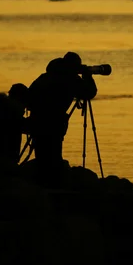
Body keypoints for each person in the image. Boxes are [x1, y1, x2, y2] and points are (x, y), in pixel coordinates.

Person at [27, 51, 97, 187]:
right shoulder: (70, 78)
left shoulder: (45, 77)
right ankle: (52, 186)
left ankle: (41, 185)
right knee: (53, 158)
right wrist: (87, 76)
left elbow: (29, 99)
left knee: (42, 157)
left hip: (36, 122)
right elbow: (89, 92)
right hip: (53, 125)